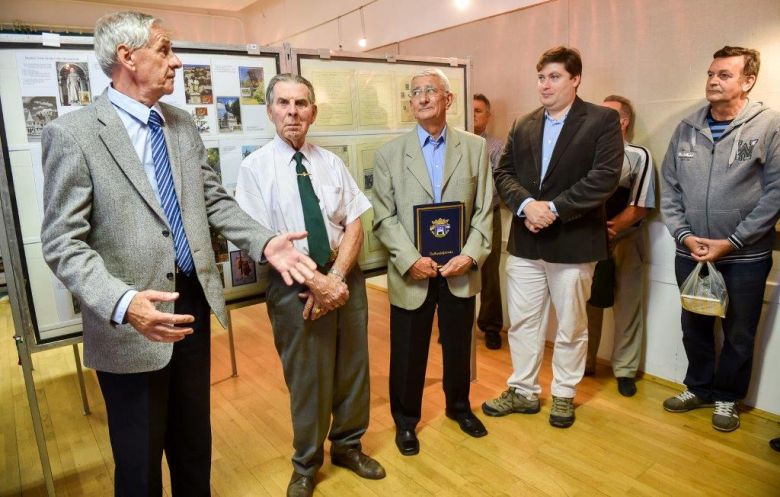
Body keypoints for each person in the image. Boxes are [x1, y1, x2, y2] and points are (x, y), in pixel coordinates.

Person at [39, 12, 316, 497]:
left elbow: (213, 200)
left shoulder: (182, 124)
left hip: (190, 305)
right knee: (139, 462)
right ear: (127, 56)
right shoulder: (74, 134)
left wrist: (265, 241)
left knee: (193, 446)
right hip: (131, 317)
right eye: (165, 49)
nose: (177, 61)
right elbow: (62, 242)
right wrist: (124, 302)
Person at [235, 74, 385, 497]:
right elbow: (263, 241)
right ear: (270, 111)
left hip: (344, 275)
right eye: (283, 103)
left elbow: (354, 223)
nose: (293, 112)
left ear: (313, 112)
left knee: (353, 368)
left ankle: (348, 447)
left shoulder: (330, 162)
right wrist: (316, 283)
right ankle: (306, 464)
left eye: (301, 104)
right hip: (293, 285)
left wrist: (335, 279)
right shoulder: (254, 168)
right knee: (308, 378)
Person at [482, 46, 623, 428]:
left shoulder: (602, 120)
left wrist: (554, 209)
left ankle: (563, 393)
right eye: (541, 77)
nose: (545, 84)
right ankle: (523, 391)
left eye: (554, 77)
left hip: (574, 242)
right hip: (526, 242)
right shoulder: (523, 123)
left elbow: (604, 178)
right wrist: (527, 205)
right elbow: (503, 173)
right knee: (523, 323)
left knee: (572, 325)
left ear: (575, 79)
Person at [373, 68, 493, 456]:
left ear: (448, 99)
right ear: (410, 102)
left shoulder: (475, 148)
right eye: (416, 92)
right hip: (413, 272)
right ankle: (406, 422)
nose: (423, 98)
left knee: (459, 347)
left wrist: (470, 255)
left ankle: (459, 408)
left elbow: (485, 210)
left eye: (431, 91)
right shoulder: (389, 154)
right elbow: (383, 216)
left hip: (460, 268)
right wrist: (409, 260)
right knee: (408, 352)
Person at [660, 46, 780, 432]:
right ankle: (698, 387)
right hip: (692, 251)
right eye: (711, 74)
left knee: (739, 332)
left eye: (724, 75)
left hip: (744, 256)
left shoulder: (769, 126)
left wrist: (734, 241)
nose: (713, 80)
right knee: (694, 325)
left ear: (748, 81)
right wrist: (684, 235)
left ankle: (727, 396)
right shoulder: (686, 128)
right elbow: (669, 187)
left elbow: (776, 193)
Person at [584, 95, 656, 397]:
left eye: (608, 113)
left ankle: (625, 371)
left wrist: (611, 229)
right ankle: (584, 364)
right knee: (587, 305)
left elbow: (641, 205)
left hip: (626, 240)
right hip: (589, 241)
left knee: (627, 307)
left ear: (623, 121)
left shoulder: (638, 155)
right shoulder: (587, 154)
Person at [473, 93, 505, 350]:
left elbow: (500, 184)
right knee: (452, 270)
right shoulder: (453, 143)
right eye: (470, 110)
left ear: (488, 116)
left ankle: (491, 326)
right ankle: (456, 325)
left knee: (490, 273)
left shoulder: (496, 146)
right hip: (458, 217)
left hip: (488, 215)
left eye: (479, 111)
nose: (473, 115)